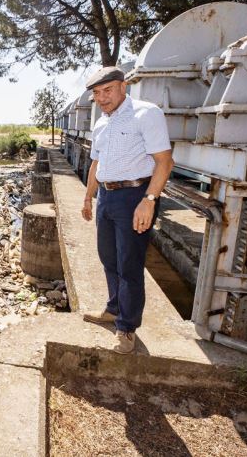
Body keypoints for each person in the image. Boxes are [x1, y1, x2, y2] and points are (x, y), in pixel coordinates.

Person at [80, 66, 174, 354]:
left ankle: (127, 327)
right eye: (97, 93)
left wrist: (149, 200)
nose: (102, 98)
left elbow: (164, 161)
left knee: (129, 264)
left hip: (134, 196)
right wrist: (88, 197)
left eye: (107, 90)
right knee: (108, 258)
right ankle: (113, 308)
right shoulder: (100, 124)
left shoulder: (147, 114)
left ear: (123, 86)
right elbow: (96, 163)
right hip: (106, 197)